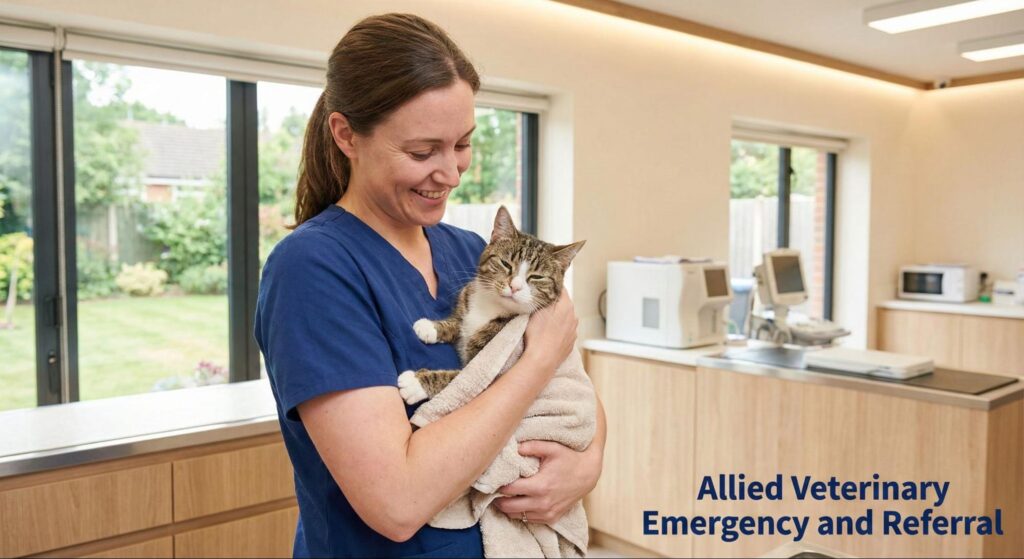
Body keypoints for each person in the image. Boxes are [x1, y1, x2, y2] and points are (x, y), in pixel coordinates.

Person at [254, 13, 607, 558]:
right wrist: (536, 360)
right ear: (347, 135)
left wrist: (586, 464)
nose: (452, 172)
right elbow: (396, 502)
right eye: (423, 152)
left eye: (462, 143)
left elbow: (570, 385)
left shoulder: (474, 253)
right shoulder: (312, 269)